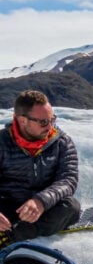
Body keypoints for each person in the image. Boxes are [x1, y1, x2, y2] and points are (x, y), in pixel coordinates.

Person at [0, 90, 80, 248]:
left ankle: (9, 237)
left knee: (71, 208)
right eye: (43, 122)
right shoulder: (2, 141)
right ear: (23, 120)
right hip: (6, 206)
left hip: (44, 208)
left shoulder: (62, 142)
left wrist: (41, 201)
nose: (50, 126)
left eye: (52, 119)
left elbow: (68, 179)